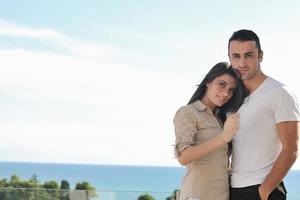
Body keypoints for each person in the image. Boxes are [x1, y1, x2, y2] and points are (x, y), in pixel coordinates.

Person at [228, 29, 300, 200]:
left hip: (263, 189)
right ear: (230, 58)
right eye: (236, 56)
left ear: (260, 56)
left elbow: (291, 149)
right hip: (233, 188)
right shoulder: (231, 96)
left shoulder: (279, 93)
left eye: (249, 55)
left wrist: (265, 191)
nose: (242, 63)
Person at [173, 62, 248, 200]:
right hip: (198, 195)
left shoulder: (220, 119)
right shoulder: (188, 112)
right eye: (221, 84)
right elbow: (183, 157)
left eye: (231, 90)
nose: (225, 93)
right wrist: (223, 138)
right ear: (208, 82)